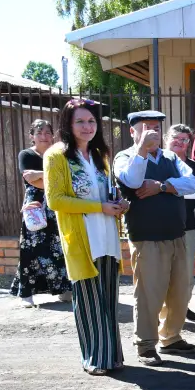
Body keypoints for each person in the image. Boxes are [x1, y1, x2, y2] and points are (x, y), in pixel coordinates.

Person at [44, 99, 128, 375]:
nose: (87, 126)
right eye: (80, 121)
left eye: (91, 121)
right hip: (83, 240)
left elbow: (104, 193)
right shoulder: (57, 156)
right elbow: (56, 200)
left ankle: (112, 356)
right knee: (90, 302)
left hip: (107, 237)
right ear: (67, 124)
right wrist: (99, 207)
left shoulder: (99, 154)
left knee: (108, 299)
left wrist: (116, 204)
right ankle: (95, 359)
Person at [114, 110, 195, 366]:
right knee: (150, 292)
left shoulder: (172, 157)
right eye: (145, 127)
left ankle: (171, 337)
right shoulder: (125, 157)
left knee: (180, 290)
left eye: (155, 127)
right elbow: (132, 179)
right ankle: (145, 343)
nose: (152, 132)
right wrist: (141, 150)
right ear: (133, 131)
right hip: (147, 236)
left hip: (177, 233)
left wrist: (161, 187)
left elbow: (192, 184)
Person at [12, 119, 71, 307]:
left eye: (47, 132)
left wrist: (39, 175)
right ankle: (26, 294)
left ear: (53, 135)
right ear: (32, 136)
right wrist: (47, 178)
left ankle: (62, 289)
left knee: (58, 247)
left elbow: (64, 180)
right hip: (35, 207)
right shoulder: (26, 154)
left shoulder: (58, 154)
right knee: (31, 249)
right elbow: (32, 181)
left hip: (56, 204)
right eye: (39, 133)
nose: (44, 136)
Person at [164, 123, 195, 322]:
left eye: (184, 139)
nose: (179, 142)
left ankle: (182, 309)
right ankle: (166, 314)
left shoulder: (193, 166)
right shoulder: (158, 162)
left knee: (186, 273)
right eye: (175, 138)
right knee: (165, 273)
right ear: (166, 139)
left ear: (189, 143)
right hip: (162, 225)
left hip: (188, 225)